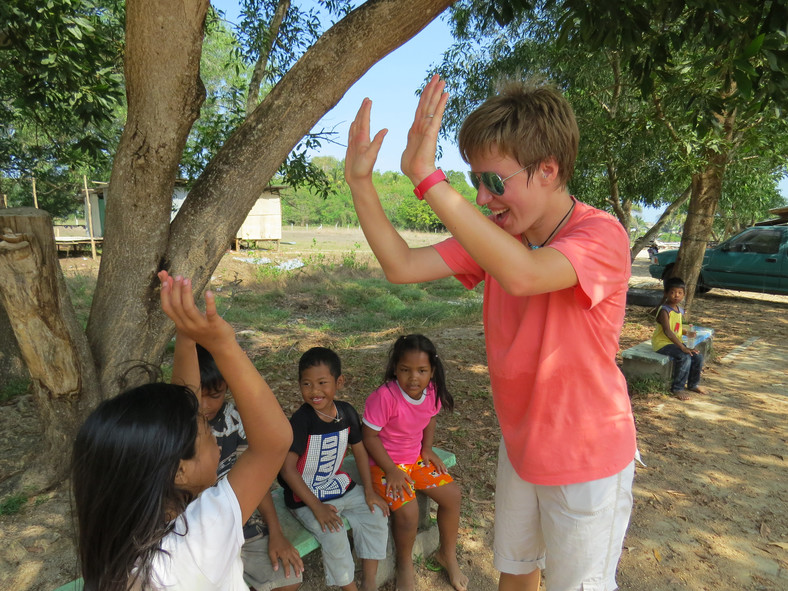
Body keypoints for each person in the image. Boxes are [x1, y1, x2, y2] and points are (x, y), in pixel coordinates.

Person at [344, 75, 637, 591]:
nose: (482, 197)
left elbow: (524, 275)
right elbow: (400, 264)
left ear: (548, 170)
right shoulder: (501, 235)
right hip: (522, 444)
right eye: (474, 181)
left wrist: (428, 179)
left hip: (585, 456)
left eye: (494, 182)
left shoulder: (600, 236)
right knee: (517, 569)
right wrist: (361, 184)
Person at [71, 272, 292, 590]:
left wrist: (187, 335)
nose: (214, 434)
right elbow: (274, 442)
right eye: (204, 429)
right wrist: (223, 345)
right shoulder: (200, 536)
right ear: (178, 470)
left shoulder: (120, 534)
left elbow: (179, 418)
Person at [278, 347, 390, 591]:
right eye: (306, 384)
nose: (315, 391)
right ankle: (349, 588)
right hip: (304, 496)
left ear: (339, 382)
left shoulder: (346, 412)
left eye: (322, 383)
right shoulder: (301, 420)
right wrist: (316, 508)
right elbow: (287, 470)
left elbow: (360, 450)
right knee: (335, 533)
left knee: (377, 514)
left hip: (335, 484)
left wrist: (369, 491)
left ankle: (369, 582)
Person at [362, 334, 466, 591]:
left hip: (415, 460)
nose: (413, 378)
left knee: (452, 495)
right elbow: (369, 436)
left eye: (421, 370)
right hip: (384, 465)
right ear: (395, 368)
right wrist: (391, 470)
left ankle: (447, 555)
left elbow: (431, 417)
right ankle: (405, 565)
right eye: (405, 370)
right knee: (409, 513)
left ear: (432, 371)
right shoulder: (384, 397)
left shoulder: (432, 392)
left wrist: (427, 448)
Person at [197, 344, 303, 591]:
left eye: (215, 395)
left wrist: (275, 531)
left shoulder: (235, 419)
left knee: (288, 580)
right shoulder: (177, 427)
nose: (204, 405)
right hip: (200, 534)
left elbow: (258, 481)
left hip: (245, 525)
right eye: (197, 394)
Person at [651, 276, 705, 400]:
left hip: (675, 343)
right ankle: (677, 388)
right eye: (673, 292)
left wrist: (687, 333)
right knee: (684, 356)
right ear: (666, 293)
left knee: (697, 355)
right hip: (662, 344)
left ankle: (693, 384)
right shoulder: (664, 311)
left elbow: (676, 328)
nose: (676, 295)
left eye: (680, 293)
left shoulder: (679, 310)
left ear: (684, 294)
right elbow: (668, 332)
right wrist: (682, 347)